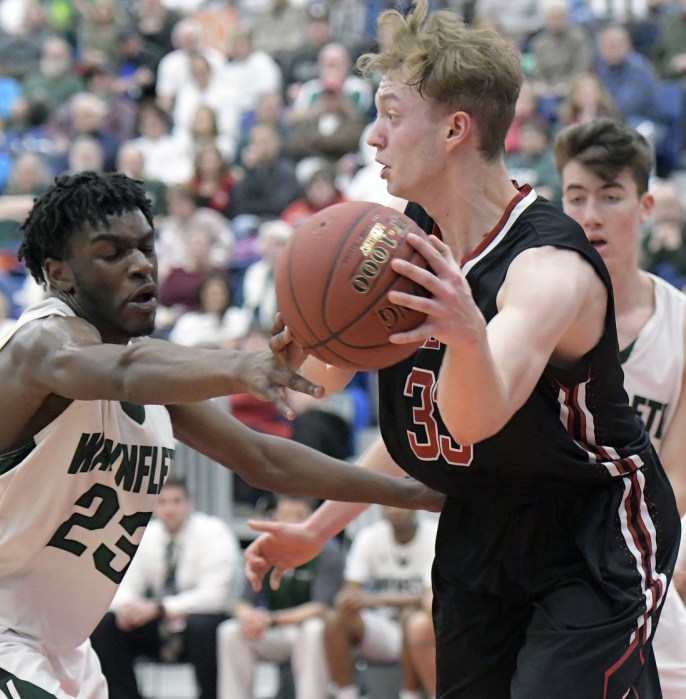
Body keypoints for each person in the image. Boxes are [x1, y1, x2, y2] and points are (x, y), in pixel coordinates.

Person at [245, 3, 681, 696]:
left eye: (391, 114)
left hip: (590, 531)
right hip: (481, 527)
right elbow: (350, 392)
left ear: (454, 129)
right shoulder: (398, 243)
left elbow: (471, 419)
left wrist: (465, 333)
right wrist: (317, 527)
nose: (373, 136)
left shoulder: (547, 270)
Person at [0, 170, 438, 698]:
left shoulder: (147, 373)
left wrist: (415, 493)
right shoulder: (37, 346)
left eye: (146, 247)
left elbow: (261, 458)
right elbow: (126, 371)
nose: (139, 265)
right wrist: (244, 365)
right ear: (60, 273)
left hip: (59, 648)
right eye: (111, 254)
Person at [553, 116, 686, 698]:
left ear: (647, 205)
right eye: (577, 197)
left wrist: (628, 555)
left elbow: (675, 478)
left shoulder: (681, 326)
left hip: (639, 547)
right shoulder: (535, 314)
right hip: (547, 549)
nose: (592, 214)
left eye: (611, 196)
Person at [90, 477, 241, 699]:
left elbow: (214, 597)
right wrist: (128, 608)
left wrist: (160, 608)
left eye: (176, 501)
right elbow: (122, 583)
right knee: (106, 625)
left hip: (200, 624)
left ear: (190, 504)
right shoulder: (143, 535)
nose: (169, 509)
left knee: (202, 626)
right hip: (160, 623)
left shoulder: (214, 532)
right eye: (162, 502)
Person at [218, 494, 344, 699]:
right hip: (274, 631)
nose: (292, 523)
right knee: (230, 631)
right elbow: (243, 603)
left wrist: (272, 619)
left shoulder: (327, 549)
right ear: (274, 518)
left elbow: (321, 608)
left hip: (305, 630)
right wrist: (250, 618)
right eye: (286, 515)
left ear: (313, 518)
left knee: (314, 629)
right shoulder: (265, 547)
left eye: (299, 516)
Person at [324, 507, 437, 699]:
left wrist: (376, 599)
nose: (396, 510)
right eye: (390, 504)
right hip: (382, 627)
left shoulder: (435, 534)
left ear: (417, 504)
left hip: (424, 627)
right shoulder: (369, 536)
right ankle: (347, 694)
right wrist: (347, 599)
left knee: (411, 617)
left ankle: (410, 695)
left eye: (401, 504)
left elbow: (432, 598)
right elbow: (351, 589)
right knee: (335, 620)